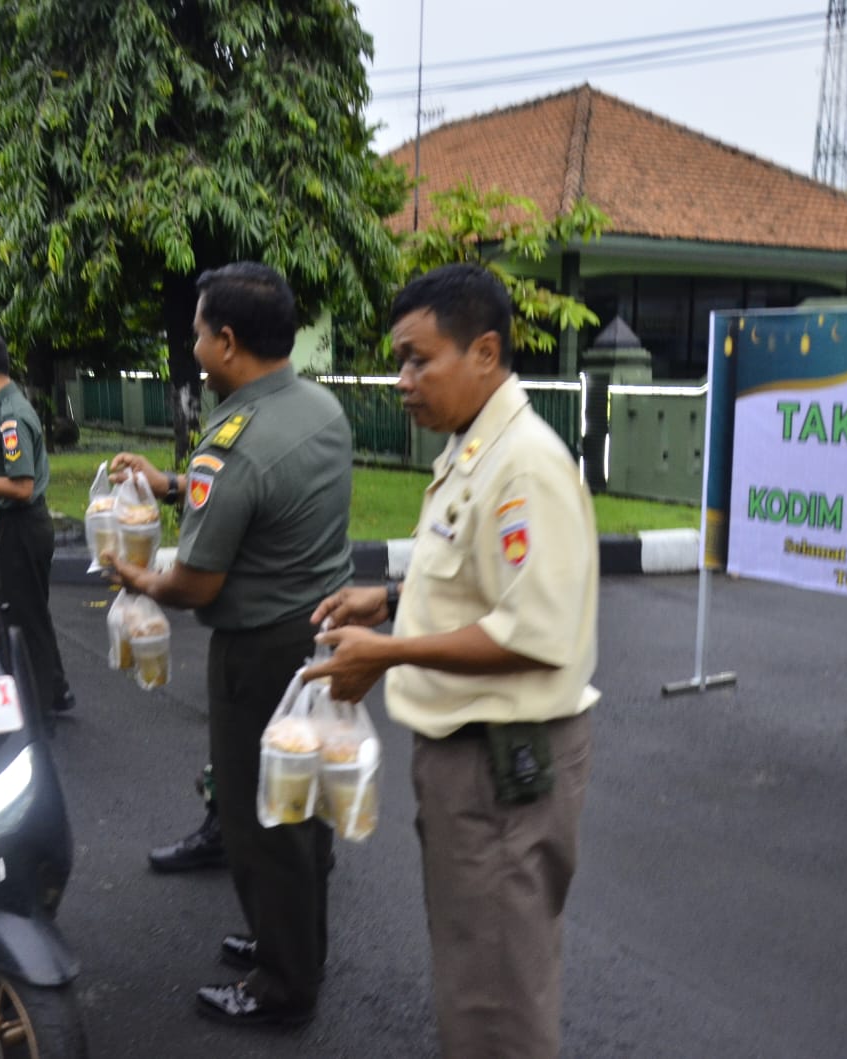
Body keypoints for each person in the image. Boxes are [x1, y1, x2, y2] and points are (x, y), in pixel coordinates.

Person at [303, 263, 599, 1059]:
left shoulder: (523, 466)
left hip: (501, 769)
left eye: (418, 359)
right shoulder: (479, 448)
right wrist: (391, 602)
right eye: (401, 360)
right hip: (472, 764)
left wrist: (389, 652)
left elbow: (531, 630)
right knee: (482, 972)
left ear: (485, 352)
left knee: (495, 1001)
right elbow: (479, 586)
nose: (403, 380)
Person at [108, 261, 352, 1028]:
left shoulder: (233, 439)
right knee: (303, 804)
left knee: (260, 819)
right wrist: (175, 483)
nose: (193, 347)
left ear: (229, 341)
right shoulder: (319, 407)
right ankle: (294, 942)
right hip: (318, 631)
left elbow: (199, 583)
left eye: (197, 334)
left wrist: (135, 576)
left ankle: (283, 985)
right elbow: (261, 495)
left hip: (260, 651)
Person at [0, 330, 76, 714]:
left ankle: (38, 709)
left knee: (27, 616)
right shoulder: (0, 408)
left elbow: (21, 487)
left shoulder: (9, 418)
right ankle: (53, 692)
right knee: (30, 612)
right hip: (17, 523)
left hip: (23, 525)